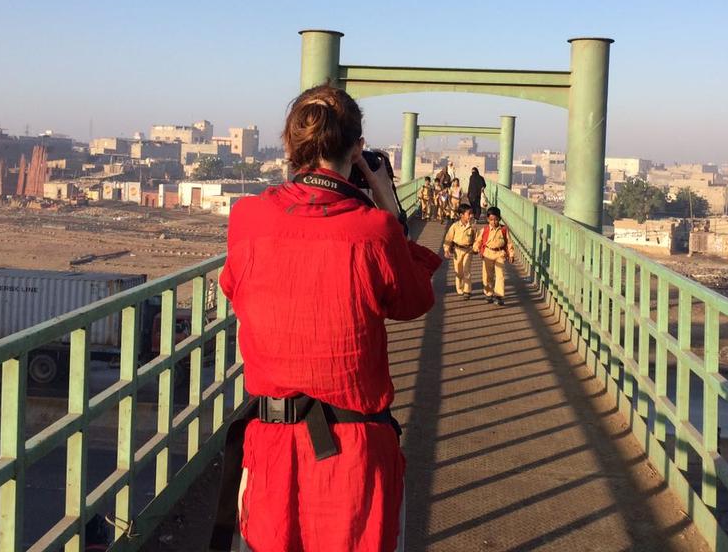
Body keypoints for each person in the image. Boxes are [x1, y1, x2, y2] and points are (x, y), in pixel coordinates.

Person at [218, 85, 441, 552]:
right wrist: (389, 209)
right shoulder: (374, 231)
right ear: (358, 149)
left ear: (289, 146)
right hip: (356, 458)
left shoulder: (248, 219)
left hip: (272, 451)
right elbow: (415, 299)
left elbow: (234, 287)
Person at [475, 206, 515, 305]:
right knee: (488, 275)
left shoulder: (503, 230)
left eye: (496, 219)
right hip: (488, 253)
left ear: (499, 219)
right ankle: (488, 293)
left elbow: (509, 243)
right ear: (488, 219)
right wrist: (475, 248)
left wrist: (511, 254)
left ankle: (499, 295)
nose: (494, 222)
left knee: (500, 275)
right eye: (491, 220)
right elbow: (478, 241)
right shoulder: (485, 230)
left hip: (500, 254)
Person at [444, 203, 478, 299]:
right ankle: (460, 288)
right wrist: (447, 250)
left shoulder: (473, 227)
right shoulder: (455, 226)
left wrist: (476, 248)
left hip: (468, 250)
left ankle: (467, 291)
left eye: (472, 213)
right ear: (461, 215)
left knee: (466, 270)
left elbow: (477, 239)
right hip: (457, 250)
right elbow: (448, 238)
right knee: (458, 271)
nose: (471, 216)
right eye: (469, 214)